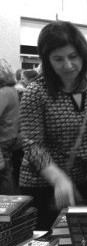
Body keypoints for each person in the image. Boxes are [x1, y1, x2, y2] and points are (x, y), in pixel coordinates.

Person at [19, 21, 87, 230]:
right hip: (45, 184)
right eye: (58, 59)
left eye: (73, 57)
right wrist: (58, 178)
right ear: (47, 60)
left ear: (83, 54)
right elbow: (32, 143)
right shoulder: (36, 92)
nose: (68, 65)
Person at [0, 57, 20, 195]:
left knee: (4, 173)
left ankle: (7, 208)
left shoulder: (4, 92)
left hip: (4, 138)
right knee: (7, 171)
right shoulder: (11, 90)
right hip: (11, 135)